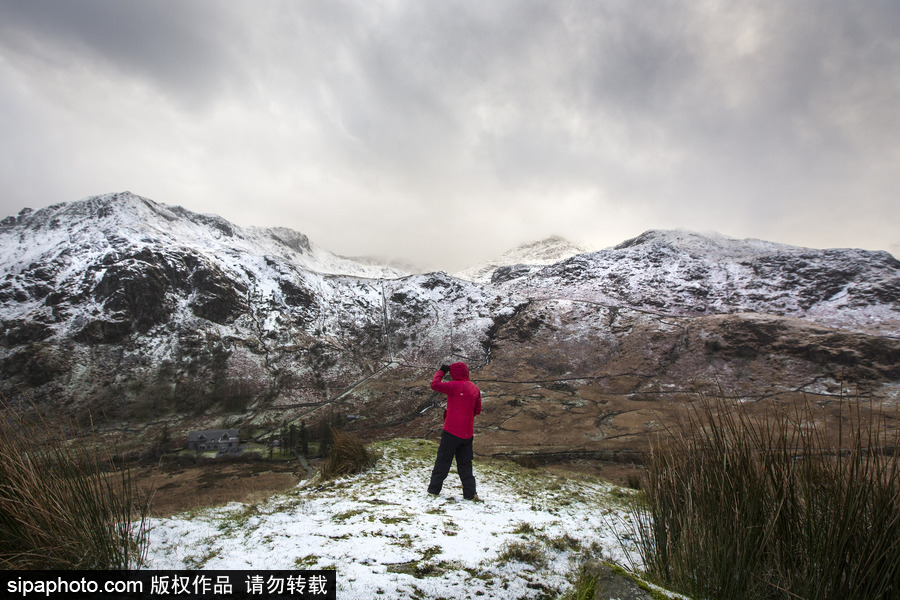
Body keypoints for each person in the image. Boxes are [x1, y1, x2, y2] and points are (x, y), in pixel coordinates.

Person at [427, 362, 482, 500]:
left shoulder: (453, 386)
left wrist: (441, 371)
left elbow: (434, 384)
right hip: (467, 433)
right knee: (465, 465)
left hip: (451, 431)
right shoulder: (475, 389)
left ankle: (434, 490)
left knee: (443, 461)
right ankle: (470, 494)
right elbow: (477, 410)